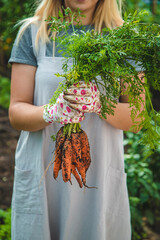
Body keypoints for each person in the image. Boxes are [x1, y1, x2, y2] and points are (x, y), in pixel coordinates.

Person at [9, 0, 145, 239]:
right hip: (44, 173)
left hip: (99, 174)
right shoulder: (34, 33)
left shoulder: (124, 38)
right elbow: (16, 112)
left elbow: (137, 118)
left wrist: (101, 105)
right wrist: (51, 111)